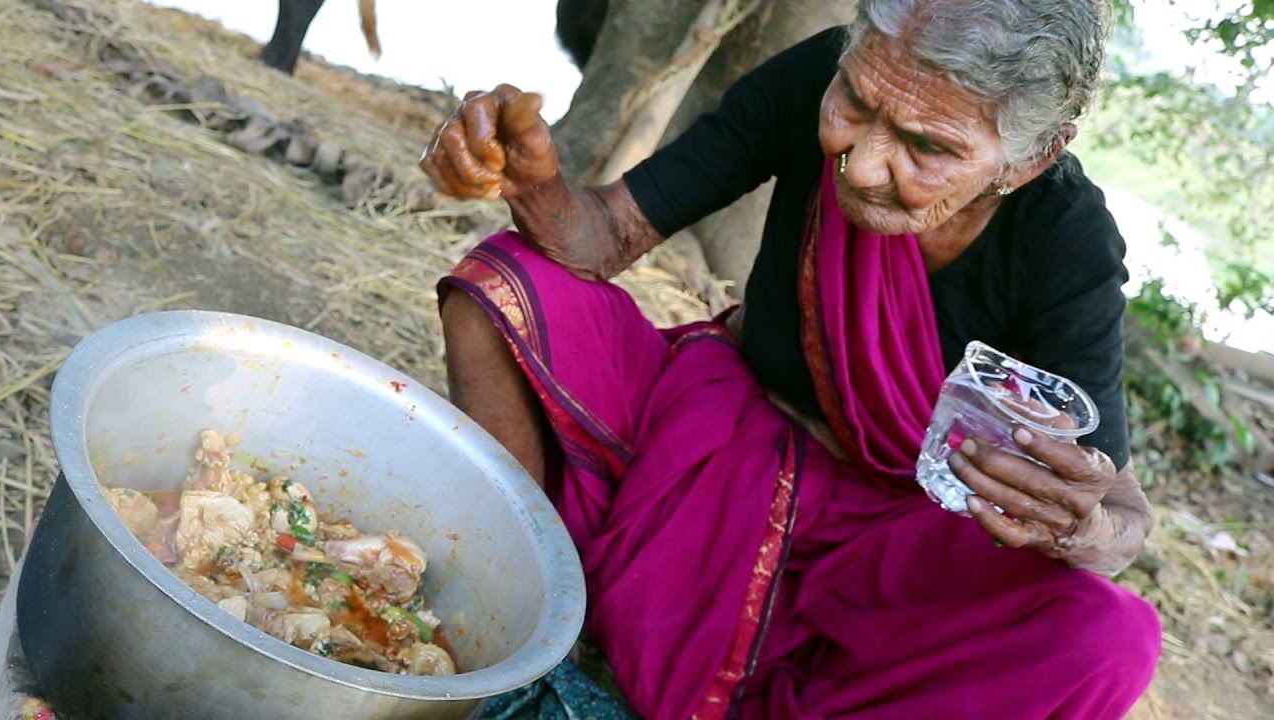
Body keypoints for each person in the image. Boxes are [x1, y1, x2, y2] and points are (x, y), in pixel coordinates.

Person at [421, 0, 1162, 717]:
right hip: (712, 437)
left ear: (1031, 158)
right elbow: (609, 233)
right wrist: (534, 186)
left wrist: (1076, 527)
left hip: (888, 546)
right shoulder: (814, 71)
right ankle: (513, 607)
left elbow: (1120, 513)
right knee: (507, 286)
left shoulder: (1065, 236)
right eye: (857, 104)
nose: (865, 165)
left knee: (1110, 640)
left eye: (928, 146)